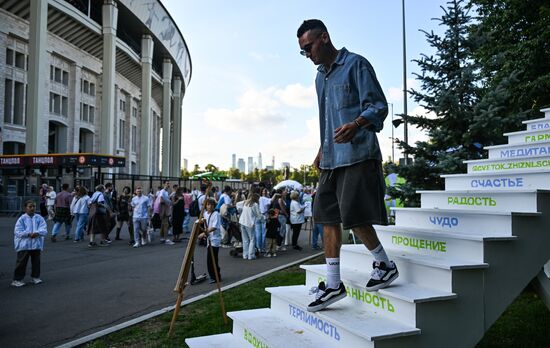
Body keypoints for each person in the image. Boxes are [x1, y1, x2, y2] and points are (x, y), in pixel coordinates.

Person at [297, 19, 397, 312]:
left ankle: (383, 263)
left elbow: (378, 106)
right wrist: (321, 149)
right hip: (330, 158)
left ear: (324, 38)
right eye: (302, 51)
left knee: (353, 215)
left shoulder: (356, 64)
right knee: (325, 214)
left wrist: (356, 124)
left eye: (309, 47)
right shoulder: (320, 77)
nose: (307, 54)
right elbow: (327, 119)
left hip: (357, 154)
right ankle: (332, 284)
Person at [11, 200, 48, 287]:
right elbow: (17, 232)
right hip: (24, 245)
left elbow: (44, 229)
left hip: (36, 244)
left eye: (34, 206)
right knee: (21, 262)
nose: (32, 208)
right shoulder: (22, 219)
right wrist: (28, 234)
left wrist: (38, 233)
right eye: (30, 206)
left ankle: (35, 277)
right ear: (25, 208)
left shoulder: (39, 218)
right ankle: (17, 279)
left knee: (36, 262)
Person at [199, 198, 222, 283]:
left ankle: (216, 277)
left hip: (214, 240)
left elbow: (214, 227)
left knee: (212, 260)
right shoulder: (205, 213)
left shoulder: (216, 214)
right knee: (210, 260)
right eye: (208, 204)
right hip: (209, 239)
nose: (210, 206)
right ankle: (213, 276)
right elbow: (204, 223)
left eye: (211, 205)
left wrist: (204, 233)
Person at [239, 192, 261, 260]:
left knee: (245, 239)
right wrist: (264, 218)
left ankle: (245, 255)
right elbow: (258, 215)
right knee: (252, 239)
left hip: (242, 222)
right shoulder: (255, 205)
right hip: (249, 223)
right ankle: (251, 255)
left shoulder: (246, 203)